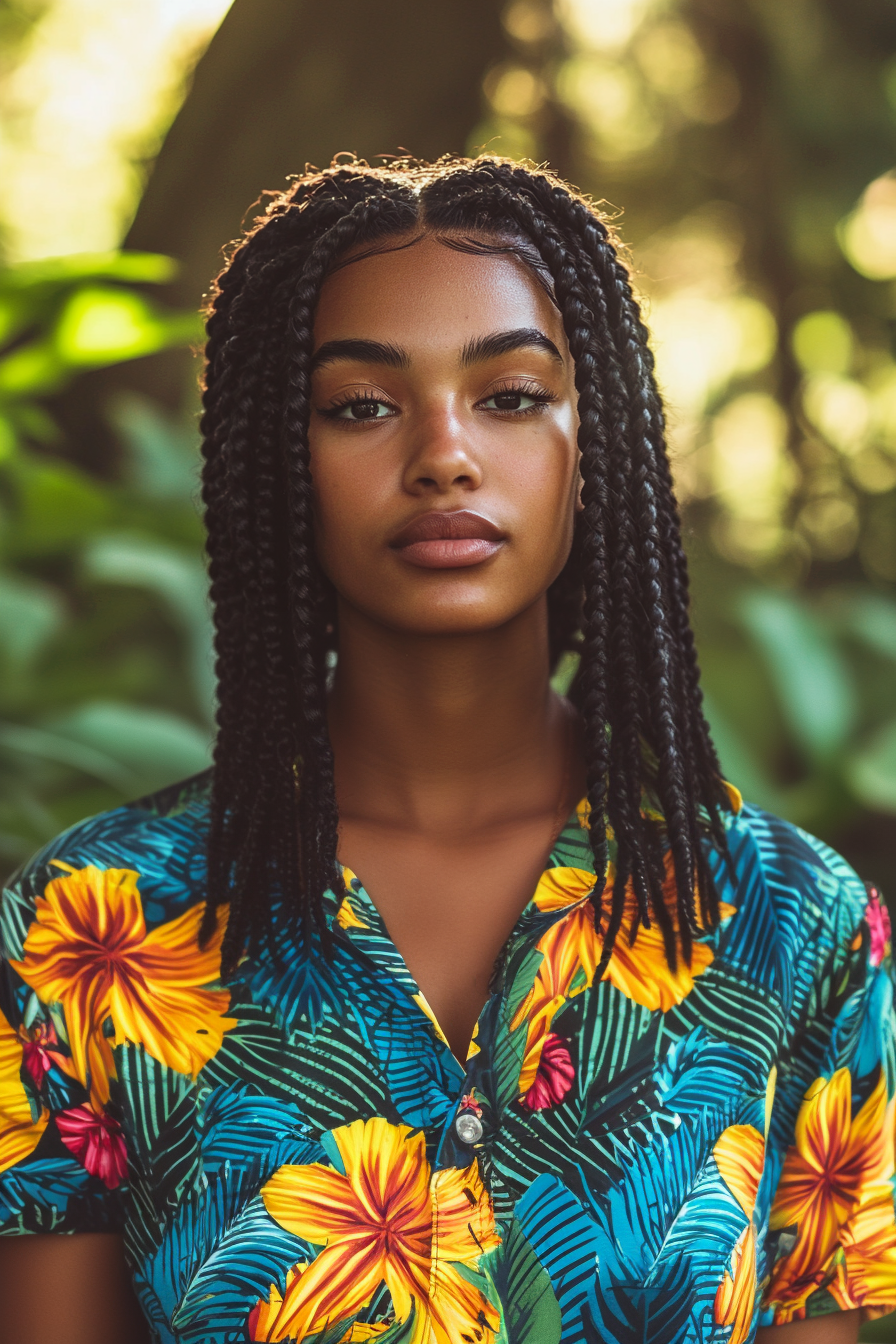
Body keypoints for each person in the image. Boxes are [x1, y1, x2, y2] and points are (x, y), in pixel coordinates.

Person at [0, 156, 893, 1344]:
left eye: (510, 396)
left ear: (599, 440)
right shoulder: (88, 927)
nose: (443, 455)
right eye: (361, 405)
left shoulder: (793, 926)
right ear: (277, 459)